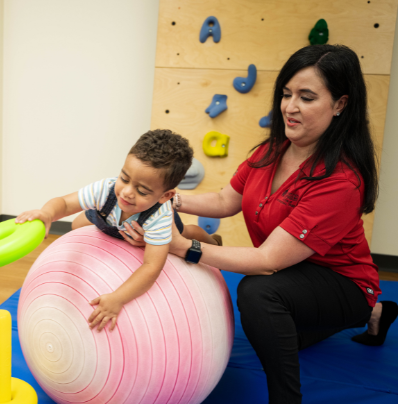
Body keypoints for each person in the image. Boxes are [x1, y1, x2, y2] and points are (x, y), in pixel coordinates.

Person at [118, 45, 398, 404]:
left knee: (258, 294)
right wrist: (161, 196)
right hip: (291, 274)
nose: (290, 107)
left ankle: (292, 392)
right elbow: (224, 201)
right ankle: (378, 313)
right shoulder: (271, 151)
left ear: (340, 104)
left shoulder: (341, 181)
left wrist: (182, 246)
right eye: (286, 94)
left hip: (339, 281)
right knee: (272, 328)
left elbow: (268, 261)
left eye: (307, 97)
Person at [16, 130, 219, 332]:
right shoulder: (106, 189)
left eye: (142, 191)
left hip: (148, 228)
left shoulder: (160, 217)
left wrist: (118, 298)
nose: (127, 192)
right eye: (124, 177)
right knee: (77, 224)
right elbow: (65, 203)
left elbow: (151, 267)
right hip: (111, 220)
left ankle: (213, 240)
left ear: (165, 196)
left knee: (188, 233)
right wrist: (47, 213)